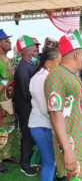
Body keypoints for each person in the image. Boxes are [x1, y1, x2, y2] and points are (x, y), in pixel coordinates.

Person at [44, 31, 82, 180]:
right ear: (76, 55)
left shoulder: (72, 74)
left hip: (80, 140)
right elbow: (55, 113)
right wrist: (68, 151)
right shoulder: (56, 76)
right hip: (71, 145)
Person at [28, 48, 61, 180]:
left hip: (45, 124)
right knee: (49, 163)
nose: (60, 66)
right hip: (42, 126)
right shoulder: (40, 79)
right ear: (48, 63)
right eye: (58, 63)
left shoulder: (46, 76)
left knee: (50, 161)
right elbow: (45, 108)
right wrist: (59, 122)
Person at [14, 35, 39, 176]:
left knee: (32, 136)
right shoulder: (23, 69)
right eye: (34, 51)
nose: (37, 53)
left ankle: (30, 159)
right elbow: (26, 93)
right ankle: (25, 164)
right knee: (27, 136)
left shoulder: (31, 65)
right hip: (26, 109)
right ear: (25, 51)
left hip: (32, 107)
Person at [0, 29, 17, 173]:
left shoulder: (8, 60)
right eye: (6, 41)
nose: (9, 43)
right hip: (2, 103)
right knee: (1, 130)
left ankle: (6, 155)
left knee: (10, 128)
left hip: (9, 101)